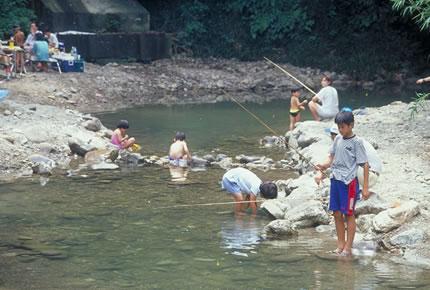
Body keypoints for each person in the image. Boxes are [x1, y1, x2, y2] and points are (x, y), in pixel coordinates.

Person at [315, 111, 369, 256]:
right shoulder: (338, 139)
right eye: (338, 127)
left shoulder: (357, 142)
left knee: (349, 214)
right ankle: (340, 245)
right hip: (335, 180)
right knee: (337, 213)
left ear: (351, 125)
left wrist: (365, 188)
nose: (340, 130)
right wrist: (323, 166)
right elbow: (331, 157)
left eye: (343, 127)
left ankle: (348, 248)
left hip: (349, 183)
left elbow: (365, 165)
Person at [315, 124, 382, 189]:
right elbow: (331, 157)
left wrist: (322, 171)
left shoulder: (351, 143)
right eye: (331, 135)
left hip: (370, 175)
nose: (332, 138)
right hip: (367, 174)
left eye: (333, 135)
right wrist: (321, 167)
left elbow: (333, 161)